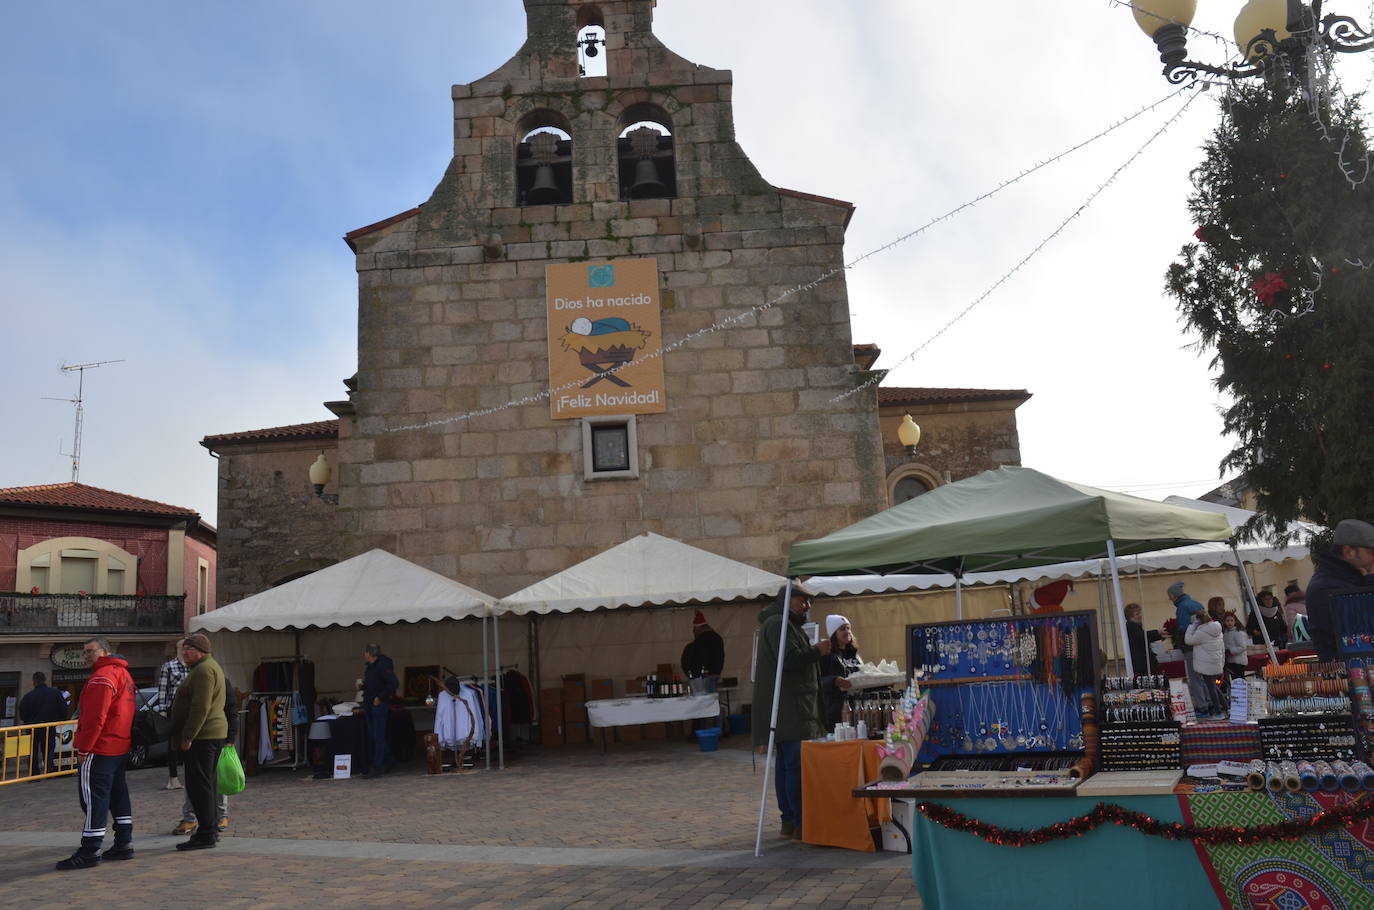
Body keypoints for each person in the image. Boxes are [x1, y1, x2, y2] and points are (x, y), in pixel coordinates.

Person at [751, 590, 829, 840]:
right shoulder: (777, 624)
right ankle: (798, 821)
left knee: (787, 765)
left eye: (809, 601)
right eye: (802, 600)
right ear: (787, 600)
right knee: (793, 766)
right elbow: (789, 660)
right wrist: (817, 650)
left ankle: (791, 821)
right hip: (790, 708)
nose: (807, 605)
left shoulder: (784, 624)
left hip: (790, 706)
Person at [56, 637, 136, 870]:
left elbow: (94, 717)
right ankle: (124, 841)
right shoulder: (124, 674)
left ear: (105, 651)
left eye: (90, 651)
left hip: (101, 746)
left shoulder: (102, 676)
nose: (86, 656)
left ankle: (90, 849)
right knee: (118, 795)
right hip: (119, 744)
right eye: (84, 652)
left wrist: (84, 747)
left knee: (93, 799)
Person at [170, 633, 226, 851]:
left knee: (200, 786)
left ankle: (206, 833)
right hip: (208, 735)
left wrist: (188, 736)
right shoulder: (205, 667)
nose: (184, 653)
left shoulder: (204, 670)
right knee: (206, 785)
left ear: (201, 650)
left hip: (204, 737)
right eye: (183, 649)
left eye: (189, 649)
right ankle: (208, 830)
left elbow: (200, 707)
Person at [172, 675, 237, 837]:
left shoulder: (220, 680)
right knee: (193, 781)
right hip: (194, 738)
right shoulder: (190, 680)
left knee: (216, 778)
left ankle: (221, 815)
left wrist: (230, 738)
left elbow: (231, 709)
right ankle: (190, 817)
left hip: (214, 737)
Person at [1305, 519, 1374, 661]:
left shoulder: (1353, 579)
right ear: (1349, 552)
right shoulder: (1326, 587)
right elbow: (1361, 629)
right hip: (1348, 675)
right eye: (1370, 552)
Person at [1166, 582, 1211, 721]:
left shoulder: (1182, 607)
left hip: (1191, 647)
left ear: (1174, 595)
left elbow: (1184, 627)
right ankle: (1210, 702)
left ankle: (1203, 707)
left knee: (1194, 677)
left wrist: (1175, 633)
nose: (1169, 599)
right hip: (1203, 645)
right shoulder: (1197, 604)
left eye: (1169, 596)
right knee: (1204, 676)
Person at [18, 671, 68, 773]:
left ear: (34, 682)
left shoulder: (28, 696)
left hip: (32, 727)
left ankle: (34, 772)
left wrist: (28, 721)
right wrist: (58, 721)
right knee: (48, 749)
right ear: (45, 680)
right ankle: (48, 771)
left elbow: (22, 714)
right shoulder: (55, 693)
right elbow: (63, 710)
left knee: (32, 750)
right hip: (49, 726)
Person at [818, 614, 861, 732]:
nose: (847, 631)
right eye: (842, 629)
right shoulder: (826, 655)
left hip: (856, 707)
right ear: (833, 634)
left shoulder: (854, 654)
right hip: (834, 711)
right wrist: (834, 680)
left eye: (848, 628)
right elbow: (817, 680)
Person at [361, 643, 398, 779]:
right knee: (375, 736)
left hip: (378, 706)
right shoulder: (372, 667)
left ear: (369, 654)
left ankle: (376, 767)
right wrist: (363, 685)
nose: (364, 655)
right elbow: (374, 684)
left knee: (378, 737)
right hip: (370, 706)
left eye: (365, 652)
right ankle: (389, 760)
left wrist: (380, 697)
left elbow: (393, 683)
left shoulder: (382, 666)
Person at [1184, 600, 1226, 719]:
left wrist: (1192, 626)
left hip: (1206, 665)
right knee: (1215, 688)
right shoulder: (1218, 629)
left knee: (1212, 689)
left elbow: (1188, 640)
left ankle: (1218, 713)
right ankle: (1227, 707)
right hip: (1216, 663)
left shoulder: (1201, 633)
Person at [156, 647, 189, 791]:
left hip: (189, 708)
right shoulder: (169, 666)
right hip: (173, 708)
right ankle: (173, 778)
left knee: (189, 739)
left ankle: (190, 774)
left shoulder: (193, 666)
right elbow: (162, 689)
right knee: (173, 743)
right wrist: (162, 709)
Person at [681, 611, 725, 680]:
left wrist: (692, 675)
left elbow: (689, 662)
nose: (693, 632)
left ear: (699, 628)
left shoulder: (697, 643)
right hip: (715, 676)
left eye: (694, 630)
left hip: (700, 678)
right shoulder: (718, 639)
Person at [1122, 603, 1160, 676]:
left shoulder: (1134, 626)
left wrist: (1159, 634)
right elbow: (1142, 637)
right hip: (1141, 664)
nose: (1140, 616)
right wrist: (1157, 633)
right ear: (1130, 616)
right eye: (1137, 614)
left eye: (1139, 613)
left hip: (1141, 663)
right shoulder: (1131, 626)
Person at [1221, 607, 1250, 682]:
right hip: (1230, 660)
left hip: (1239, 661)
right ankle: (1238, 693)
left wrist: (1231, 650)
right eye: (1227, 621)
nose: (1229, 623)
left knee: (1239, 678)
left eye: (1231, 620)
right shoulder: (1225, 633)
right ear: (1224, 622)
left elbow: (1242, 647)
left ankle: (1242, 693)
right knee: (1235, 679)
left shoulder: (1238, 633)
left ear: (1235, 621)